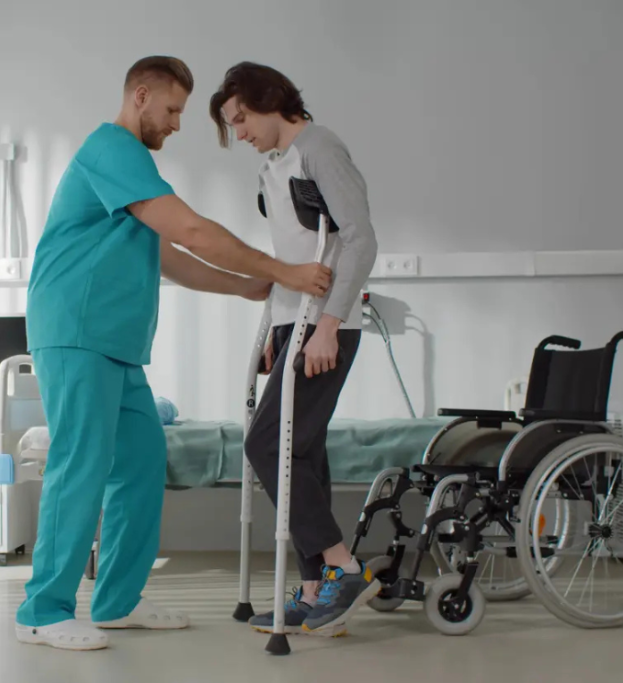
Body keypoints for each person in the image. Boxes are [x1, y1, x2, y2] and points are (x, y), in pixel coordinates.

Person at [15, 56, 332, 652]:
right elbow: (193, 230)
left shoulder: (130, 174)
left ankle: (115, 602)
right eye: (172, 110)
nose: (178, 124)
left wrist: (244, 285)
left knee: (138, 463)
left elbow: (170, 256)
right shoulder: (111, 150)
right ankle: (42, 609)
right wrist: (280, 267)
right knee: (80, 467)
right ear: (140, 97)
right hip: (76, 332)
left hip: (114, 345)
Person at [209, 62, 380, 637]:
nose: (239, 133)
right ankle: (314, 590)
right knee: (299, 454)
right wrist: (276, 335)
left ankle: (342, 566)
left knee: (266, 443)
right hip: (292, 323)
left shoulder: (320, 148)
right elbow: (293, 249)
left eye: (241, 119)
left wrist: (329, 325)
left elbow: (359, 237)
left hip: (325, 323)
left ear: (268, 100)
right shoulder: (272, 166)